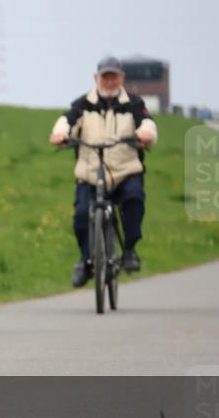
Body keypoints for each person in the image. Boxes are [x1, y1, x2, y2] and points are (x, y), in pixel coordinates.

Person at [49, 56, 157, 287]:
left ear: (121, 78)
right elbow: (66, 120)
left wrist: (146, 133)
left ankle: (130, 250)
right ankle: (85, 261)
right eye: (105, 77)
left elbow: (147, 123)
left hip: (125, 170)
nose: (109, 81)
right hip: (90, 172)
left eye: (113, 77)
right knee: (81, 215)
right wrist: (59, 134)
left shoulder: (134, 103)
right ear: (96, 78)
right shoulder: (83, 104)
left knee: (134, 198)